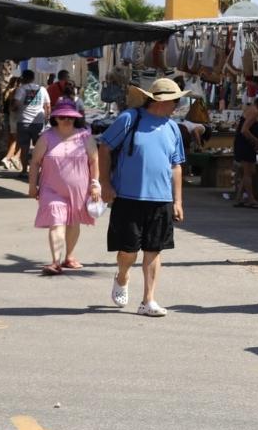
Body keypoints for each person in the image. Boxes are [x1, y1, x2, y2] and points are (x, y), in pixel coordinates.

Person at [97, 78, 187, 317]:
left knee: (154, 249)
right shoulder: (130, 118)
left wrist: (177, 201)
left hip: (161, 200)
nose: (177, 105)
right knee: (128, 251)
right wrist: (104, 183)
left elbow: (176, 166)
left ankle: (148, 300)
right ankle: (123, 276)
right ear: (160, 100)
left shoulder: (173, 128)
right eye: (175, 100)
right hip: (128, 197)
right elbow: (104, 147)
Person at [28, 98, 100, 275]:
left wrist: (95, 184)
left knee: (73, 222)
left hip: (79, 189)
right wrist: (32, 186)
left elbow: (94, 161)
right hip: (50, 189)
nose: (66, 120)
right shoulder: (46, 137)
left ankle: (70, 256)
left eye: (70, 117)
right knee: (56, 221)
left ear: (76, 118)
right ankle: (55, 261)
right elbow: (35, 162)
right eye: (61, 117)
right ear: (55, 118)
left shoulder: (85, 137)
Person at [14, 69, 51, 179]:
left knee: (24, 147)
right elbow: (48, 105)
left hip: (23, 121)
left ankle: (24, 170)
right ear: (33, 77)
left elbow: (15, 104)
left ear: (23, 78)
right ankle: (41, 170)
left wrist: (15, 109)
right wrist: (47, 118)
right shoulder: (42, 89)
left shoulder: (21, 89)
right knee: (40, 147)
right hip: (39, 122)